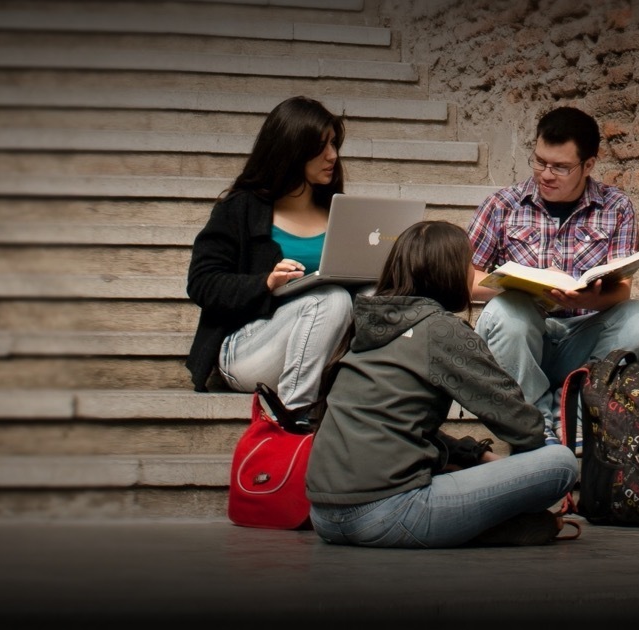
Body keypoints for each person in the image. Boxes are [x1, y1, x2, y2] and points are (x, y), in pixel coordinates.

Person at [306, 221, 580, 548]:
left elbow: (394, 422)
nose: (472, 273)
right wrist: (531, 466)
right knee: (560, 464)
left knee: (458, 468)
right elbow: (519, 423)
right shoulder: (440, 331)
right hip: (389, 513)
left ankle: (495, 527)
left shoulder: (370, 322)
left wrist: (475, 456)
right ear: (449, 273)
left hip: (324, 517)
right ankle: (506, 528)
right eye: (469, 264)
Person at [468, 106, 639, 445]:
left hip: (580, 337)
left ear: (589, 165)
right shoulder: (502, 205)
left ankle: (576, 410)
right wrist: (523, 289)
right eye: (540, 161)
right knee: (505, 313)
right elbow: (465, 278)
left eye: (560, 167)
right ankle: (536, 428)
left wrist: (588, 298)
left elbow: (622, 290)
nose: (546, 174)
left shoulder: (616, 207)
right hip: (522, 342)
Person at [185, 96, 353, 417]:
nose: (332, 155)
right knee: (332, 300)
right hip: (247, 348)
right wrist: (265, 282)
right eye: (321, 146)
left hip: (323, 351)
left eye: (334, 144)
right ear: (292, 149)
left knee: (368, 297)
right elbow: (202, 283)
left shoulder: (340, 211)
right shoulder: (240, 209)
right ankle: (292, 420)